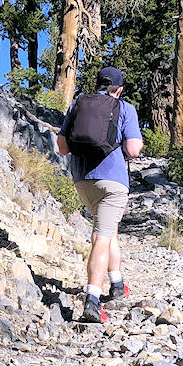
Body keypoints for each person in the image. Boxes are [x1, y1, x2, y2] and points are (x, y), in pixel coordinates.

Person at [57, 65, 144, 323]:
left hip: (83, 181)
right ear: (119, 90)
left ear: (96, 85)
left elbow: (62, 147)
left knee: (109, 229)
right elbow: (134, 149)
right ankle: (92, 301)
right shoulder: (125, 108)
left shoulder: (77, 105)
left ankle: (117, 285)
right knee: (101, 239)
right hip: (113, 182)